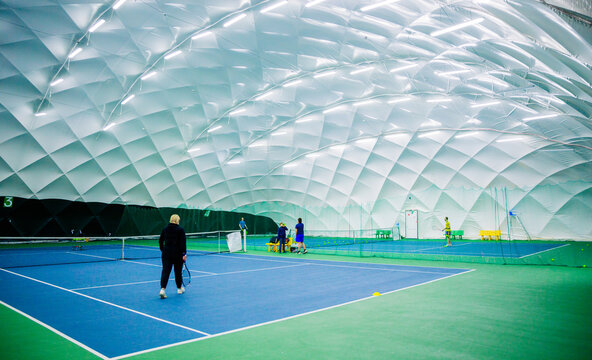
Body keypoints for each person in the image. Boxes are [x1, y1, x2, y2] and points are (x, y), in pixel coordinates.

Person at [159, 214, 187, 299]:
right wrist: (184, 254)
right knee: (178, 272)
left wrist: (163, 250)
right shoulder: (180, 230)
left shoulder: (165, 229)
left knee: (165, 271)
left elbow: (160, 241)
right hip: (178, 254)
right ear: (177, 220)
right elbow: (183, 243)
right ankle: (179, 289)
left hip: (166, 254)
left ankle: (162, 290)